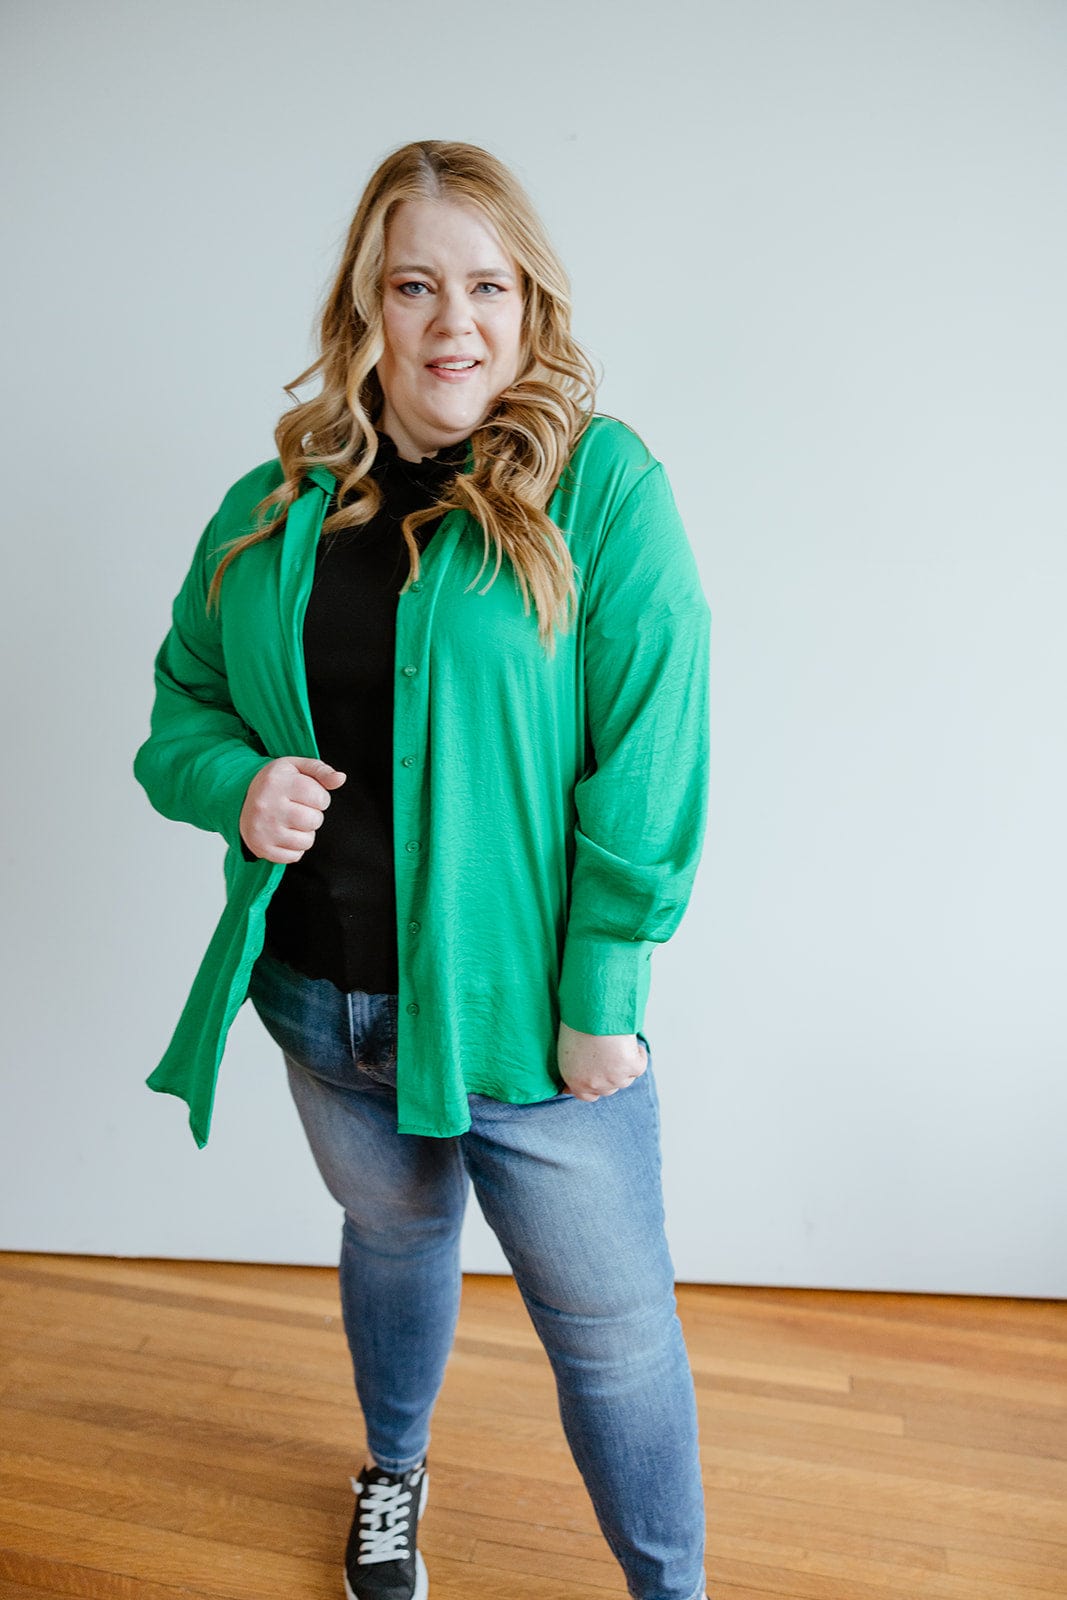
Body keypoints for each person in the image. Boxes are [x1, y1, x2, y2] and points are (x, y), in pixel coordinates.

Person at [134, 139, 712, 1600]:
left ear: (528, 308)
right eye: (415, 285)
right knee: (394, 1238)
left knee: (614, 1329)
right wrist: (235, 781)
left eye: (487, 286)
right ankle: (392, 1469)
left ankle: (672, 1592)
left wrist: (604, 996)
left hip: (531, 1027)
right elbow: (178, 714)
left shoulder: (602, 490)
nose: (454, 322)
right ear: (365, 309)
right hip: (331, 1017)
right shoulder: (273, 511)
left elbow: (648, 765)